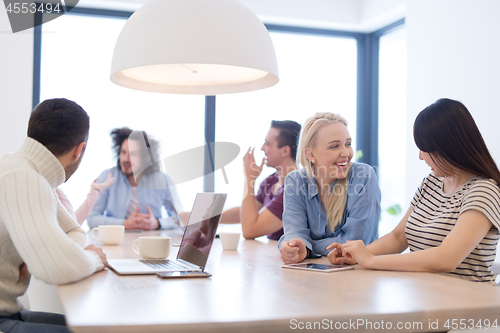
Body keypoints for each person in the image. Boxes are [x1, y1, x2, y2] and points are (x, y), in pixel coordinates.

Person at [328, 98, 500, 284]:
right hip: (423, 297)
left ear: (447, 147)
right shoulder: (431, 183)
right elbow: (398, 237)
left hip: (466, 305)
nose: (420, 156)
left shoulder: (484, 191)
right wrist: (355, 254)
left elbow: (446, 259)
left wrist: (371, 260)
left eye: (424, 149)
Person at [0, 98, 108, 332]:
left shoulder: (24, 172)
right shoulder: (25, 179)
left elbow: (73, 230)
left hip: (9, 311)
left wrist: (46, 251)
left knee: (95, 328)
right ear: (79, 151)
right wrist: (95, 259)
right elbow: (59, 267)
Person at [279, 112, 381, 264]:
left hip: (359, 273)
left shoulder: (363, 176)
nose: (346, 153)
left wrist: (309, 246)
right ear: (310, 154)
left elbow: (354, 243)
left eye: (348, 144)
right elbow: (294, 234)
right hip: (316, 273)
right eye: (334, 146)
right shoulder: (295, 181)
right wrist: (294, 247)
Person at [220, 120, 301, 240]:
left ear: (285, 151)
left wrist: (249, 179)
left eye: (267, 143)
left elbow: (250, 230)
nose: (262, 148)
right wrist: (204, 218)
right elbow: (244, 214)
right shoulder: (271, 181)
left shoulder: (294, 188)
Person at [87, 127, 182, 230]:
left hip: (151, 242)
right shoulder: (107, 177)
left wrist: (157, 223)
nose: (125, 159)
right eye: (123, 152)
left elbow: (181, 217)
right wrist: (125, 224)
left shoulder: (163, 180)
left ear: (145, 158)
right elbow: (92, 219)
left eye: (133, 154)